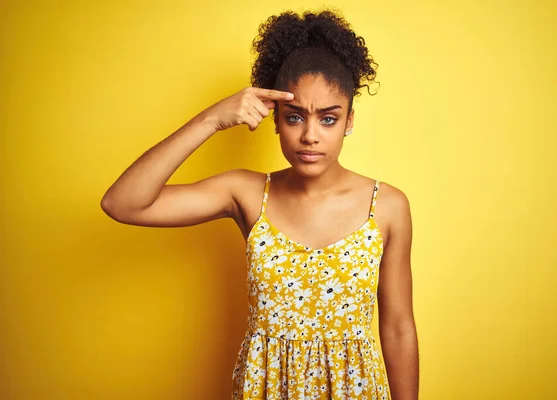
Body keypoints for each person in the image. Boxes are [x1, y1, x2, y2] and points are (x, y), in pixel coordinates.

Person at [101, 9, 418, 400]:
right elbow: (123, 203)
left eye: (329, 119)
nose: (310, 136)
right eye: (295, 117)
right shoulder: (247, 194)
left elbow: (399, 327)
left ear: (350, 120)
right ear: (275, 118)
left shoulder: (386, 206)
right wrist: (212, 120)